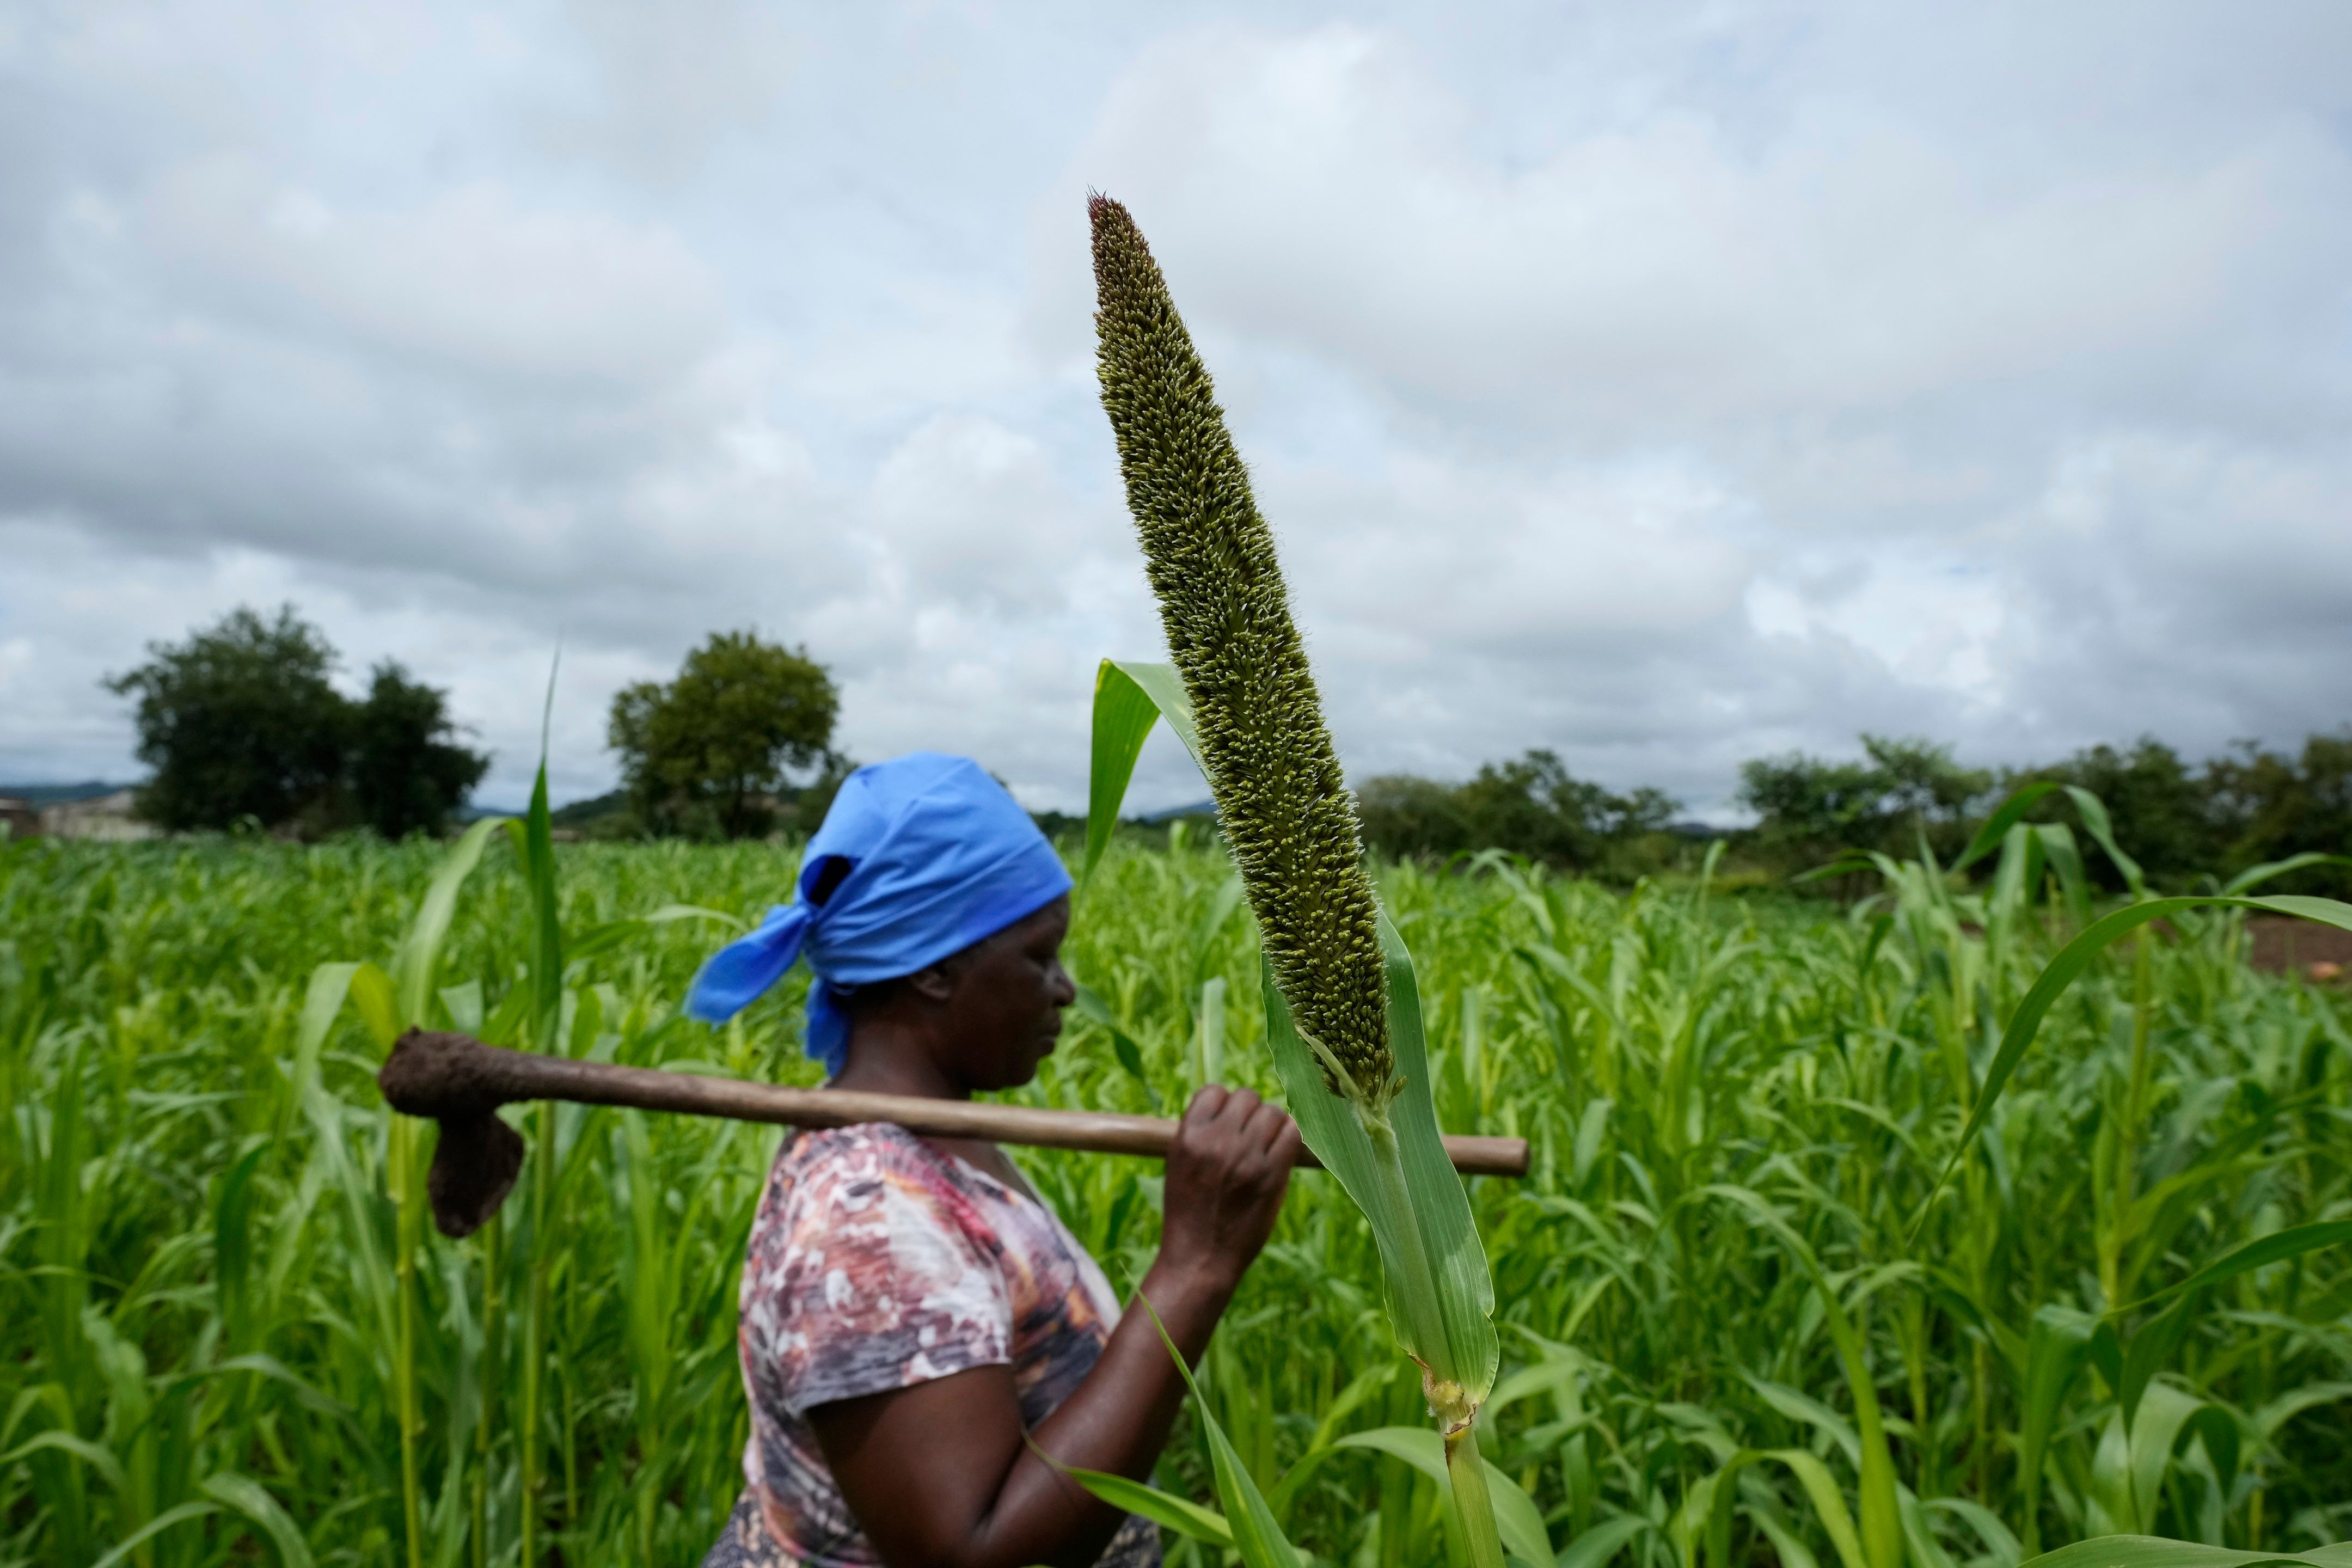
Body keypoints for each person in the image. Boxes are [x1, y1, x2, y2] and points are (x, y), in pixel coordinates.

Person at [687, 752, 1299, 1568]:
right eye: (1040, 957)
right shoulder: (870, 1213)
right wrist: (1196, 1266)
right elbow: (972, 1550)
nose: (1065, 990)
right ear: (936, 970)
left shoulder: (937, 1136)